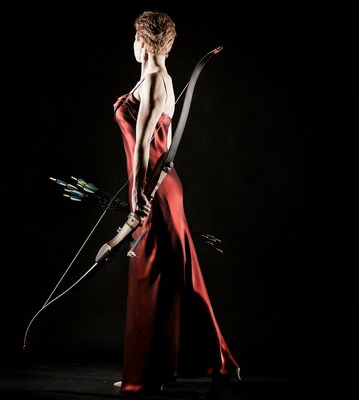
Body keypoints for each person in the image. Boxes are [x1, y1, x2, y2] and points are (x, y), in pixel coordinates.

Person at [111, 11, 240, 398]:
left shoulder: (153, 82)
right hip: (162, 188)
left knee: (154, 277)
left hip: (156, 192)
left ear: (145, 42)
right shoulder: (155, 78)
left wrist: (137, 200)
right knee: (173, 276)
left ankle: (150, 376)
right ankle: (188, 365)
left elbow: (144, 147)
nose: (132, 44)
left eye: (135, 37)